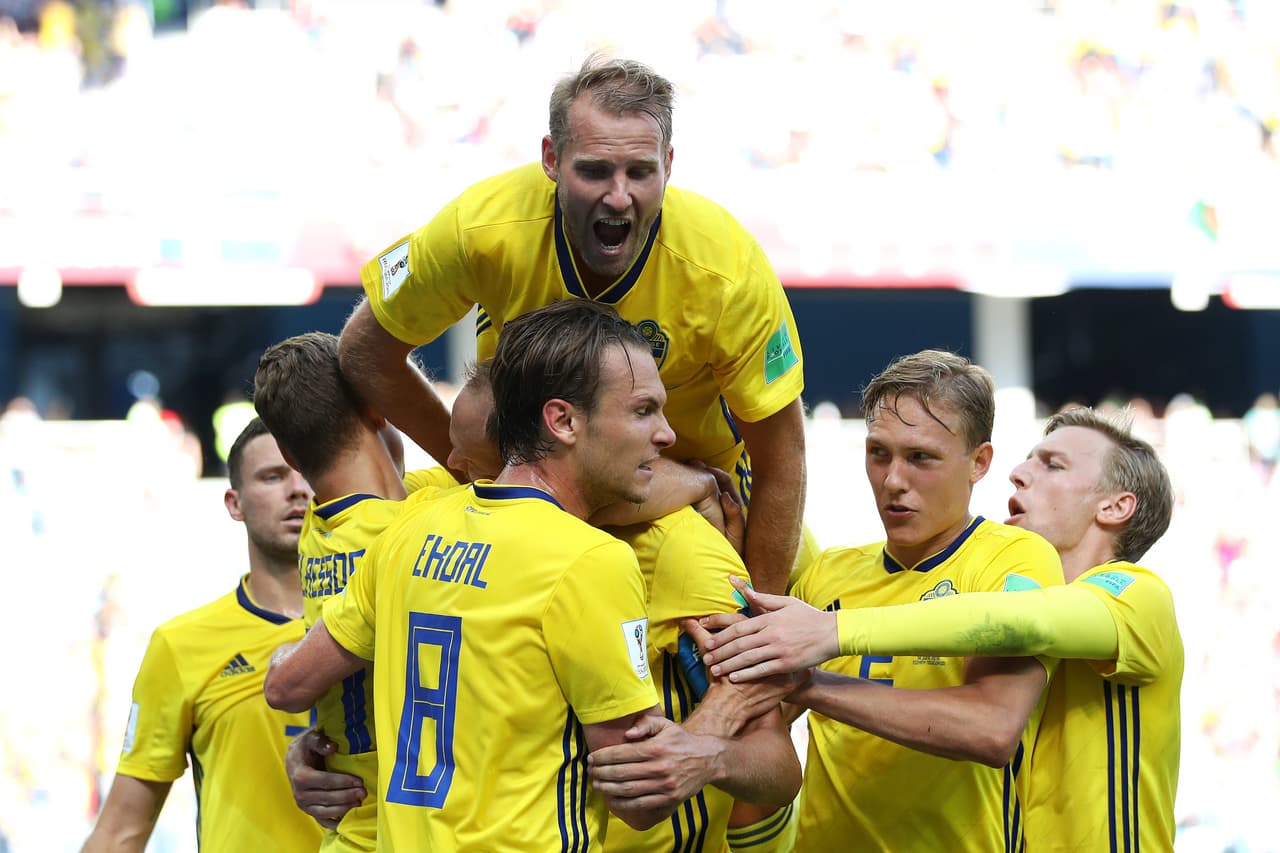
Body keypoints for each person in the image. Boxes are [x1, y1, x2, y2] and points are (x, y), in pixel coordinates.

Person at [264, 301, 798, 850]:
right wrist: (715, 731)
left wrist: (324, 741)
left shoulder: (410, 524)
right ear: (561, 421)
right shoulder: (597, 558)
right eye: (643, 411)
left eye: (465, 458)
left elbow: (294, 684)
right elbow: (646, 798)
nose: (666, 435)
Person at [338, 54, 809, 595]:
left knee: (768, 626)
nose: (618, 195)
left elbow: (783, 454)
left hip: (693, 491)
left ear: (669, 165)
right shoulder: (480, 228)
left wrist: (760, 619)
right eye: (593, 170)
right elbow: (364, 351)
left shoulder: (727, 270)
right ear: (551, 159)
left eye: (640, 171)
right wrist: (475, 464)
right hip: (536, 483)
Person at [697, 407, 1182, 851]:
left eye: (1054, 465)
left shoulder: (1136, 595)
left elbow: (1024, 622)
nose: (1018, 472)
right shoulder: (998, 586)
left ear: (1116, 507)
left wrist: (832, 631)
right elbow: (840, 581)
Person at [682, 350, 1067, 850]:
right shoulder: (830, 573)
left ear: (980, 462)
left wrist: (813, 685)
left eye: (921, 457)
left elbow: (992, 730)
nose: (893, 480)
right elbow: (760, 725)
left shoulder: (1015, 558)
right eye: (878, 453)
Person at [81, 419, 322, 853]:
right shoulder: (181, 646)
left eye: (309, 471)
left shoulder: (381, 622)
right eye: (273, 476)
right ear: (235, 503)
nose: (298, 490)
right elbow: (120, 831)